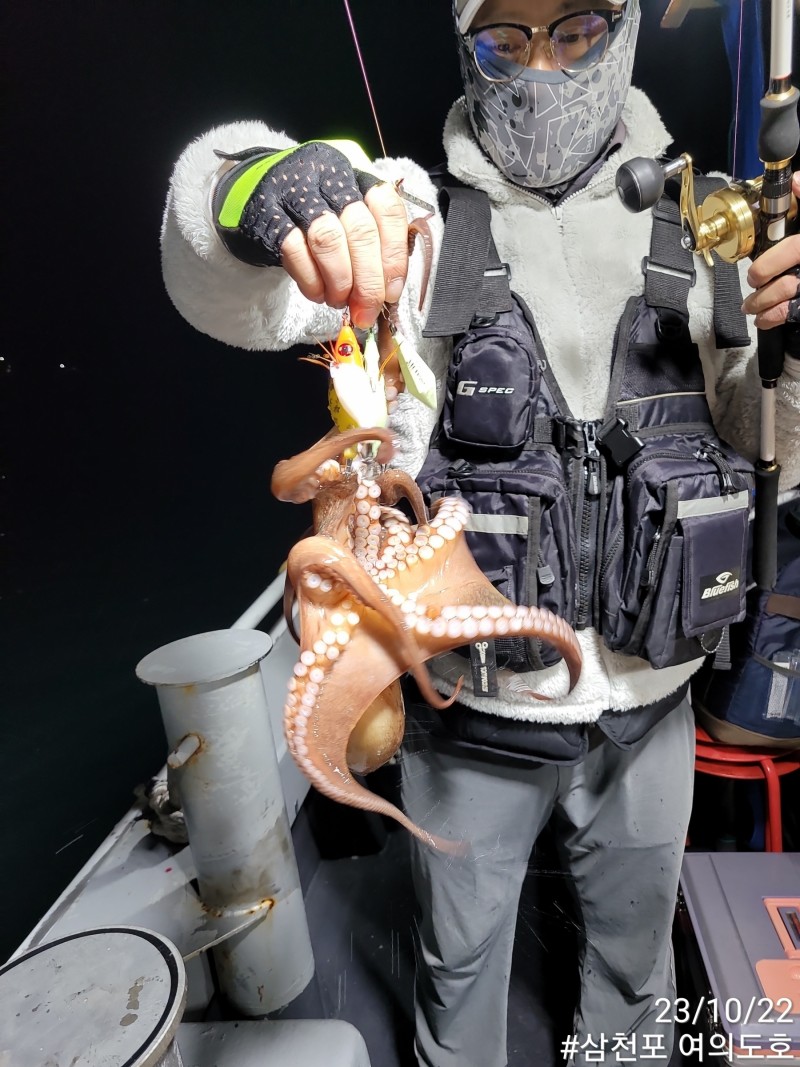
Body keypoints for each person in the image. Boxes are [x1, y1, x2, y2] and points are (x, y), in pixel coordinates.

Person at [161, 2, 800, 1063]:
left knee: (635, 967)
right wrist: (255, 189)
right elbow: (224, 287)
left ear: (623, 30)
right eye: (504, 38)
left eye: (575, 29)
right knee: (457, 968)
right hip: (473, 719)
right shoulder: (412, 224)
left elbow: (768, 445)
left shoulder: (704, 225)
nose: (540, 67)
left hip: (650, 709)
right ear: (466, 46)